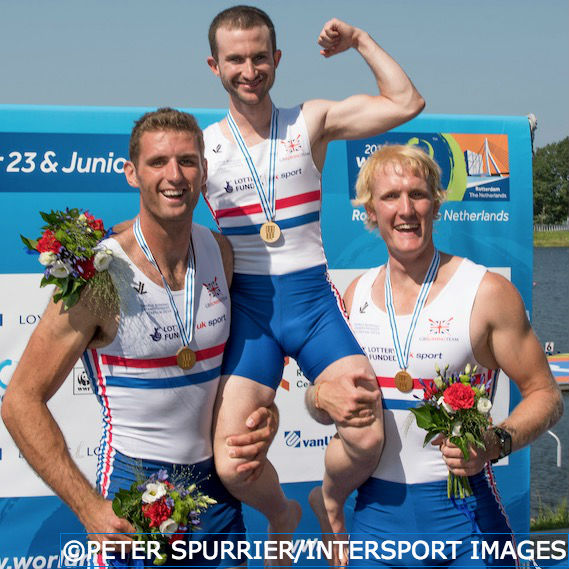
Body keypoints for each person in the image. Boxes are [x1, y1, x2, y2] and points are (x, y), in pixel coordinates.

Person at [1, 108, 279, 568]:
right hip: (135, 496)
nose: (175, 175)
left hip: (218, 497)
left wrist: (261, 415)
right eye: (158, 162)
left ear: (203, 170)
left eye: (188, 161)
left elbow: (242, 367)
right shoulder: (98, 273)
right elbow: (20, 400)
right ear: (132, 173)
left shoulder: (221, 253)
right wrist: (89, 508)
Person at [202, 4, 425, 560]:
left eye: (259, 57)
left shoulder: (311, 122)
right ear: (214, 66)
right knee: (233, 464)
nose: (249, 69)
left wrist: (360, 39)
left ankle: (330, 498)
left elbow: (406, 102)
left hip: (312, 305)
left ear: (276, 59)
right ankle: (283, 513)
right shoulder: (201, 149)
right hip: (249, 313)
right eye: (236, 60)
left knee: (367, 433)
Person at [307, 144, 563, 567]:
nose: (406, 209)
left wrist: (495, 442)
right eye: (390, 196)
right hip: (376, 532)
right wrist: (318, 398)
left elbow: (546, 396)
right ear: (370, 211)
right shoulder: (356, 297)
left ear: (436, 204)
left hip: (469, 531)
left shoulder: (486, 292)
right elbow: (325, 404)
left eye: (418, 194)